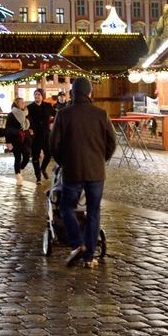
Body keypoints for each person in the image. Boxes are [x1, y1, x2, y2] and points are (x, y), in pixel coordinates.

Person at [49, 77, 116, 268]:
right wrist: (102, 158)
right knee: (93, 212)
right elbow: (112, 142)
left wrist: (63, 161)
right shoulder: (101, 114)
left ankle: (77, 243)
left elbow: (53, 144)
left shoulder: (64, 114)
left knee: (66, 208)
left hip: (73, 170)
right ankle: (89, 258)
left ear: (73, 92)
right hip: (96, 172)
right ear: (89, 93)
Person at [27, 89, 55, 182]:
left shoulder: (48, 105)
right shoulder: (29, 107)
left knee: (48, 154)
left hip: (46, 133)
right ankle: (38, 176)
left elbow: (56, 114)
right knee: (35, 156)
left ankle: (43, 168)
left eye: (38, 94)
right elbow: (26, 120)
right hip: (35, 134)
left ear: (42, 96)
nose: (37, 96)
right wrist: (29, 128)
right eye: (35, 94)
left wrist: (52, 123)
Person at [6, 97, 32, 184]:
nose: (23, 104)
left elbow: (28, 124)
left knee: (27, 156)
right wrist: (8, 142)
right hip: (16, 138)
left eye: (23, 102)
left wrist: (30, 130)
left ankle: (20, 169)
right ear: (16, 104)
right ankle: (18, 175)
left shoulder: (26, 113)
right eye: (21, 102)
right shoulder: (11, 114)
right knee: (17, 157)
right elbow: (8, 129)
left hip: (26, 138)